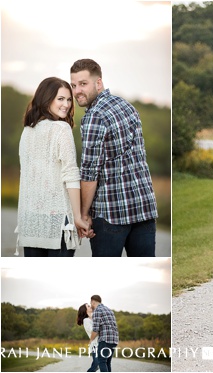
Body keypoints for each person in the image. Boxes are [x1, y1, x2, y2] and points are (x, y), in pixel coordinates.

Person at [70, 59, 158, 256]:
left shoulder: (94, 117)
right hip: (144, 207)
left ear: (98, 83)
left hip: (111, 214)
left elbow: (89, 172)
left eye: (83, 84)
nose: (77, 91)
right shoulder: (126, 106)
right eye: (73, 85)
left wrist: (83, 215)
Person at [15, 77, 92, 256]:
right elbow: (71, 174)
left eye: (68, 100)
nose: (66, 104)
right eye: (60, 99)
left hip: (31, 221)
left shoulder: (27, 131)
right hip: (59, 222)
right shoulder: (61, 129)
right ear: (46, 98)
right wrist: (78, 217)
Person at [89, 295, 118, 372]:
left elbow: (95, 329)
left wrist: (91, 340)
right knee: (107, 362)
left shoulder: (97, 311)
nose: (91, 305)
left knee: (101, 361)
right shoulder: (109, 310)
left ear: (93, 302)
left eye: (90, 303)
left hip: (105, 340)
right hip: (114, 340)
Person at [76, 303, 100, 372]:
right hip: (95, 345)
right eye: (88, 306)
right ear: (85, 310)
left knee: (96, 365)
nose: (90, 307)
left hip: (101, 343)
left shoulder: (94, 317)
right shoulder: (86, 320)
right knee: (96, 364)